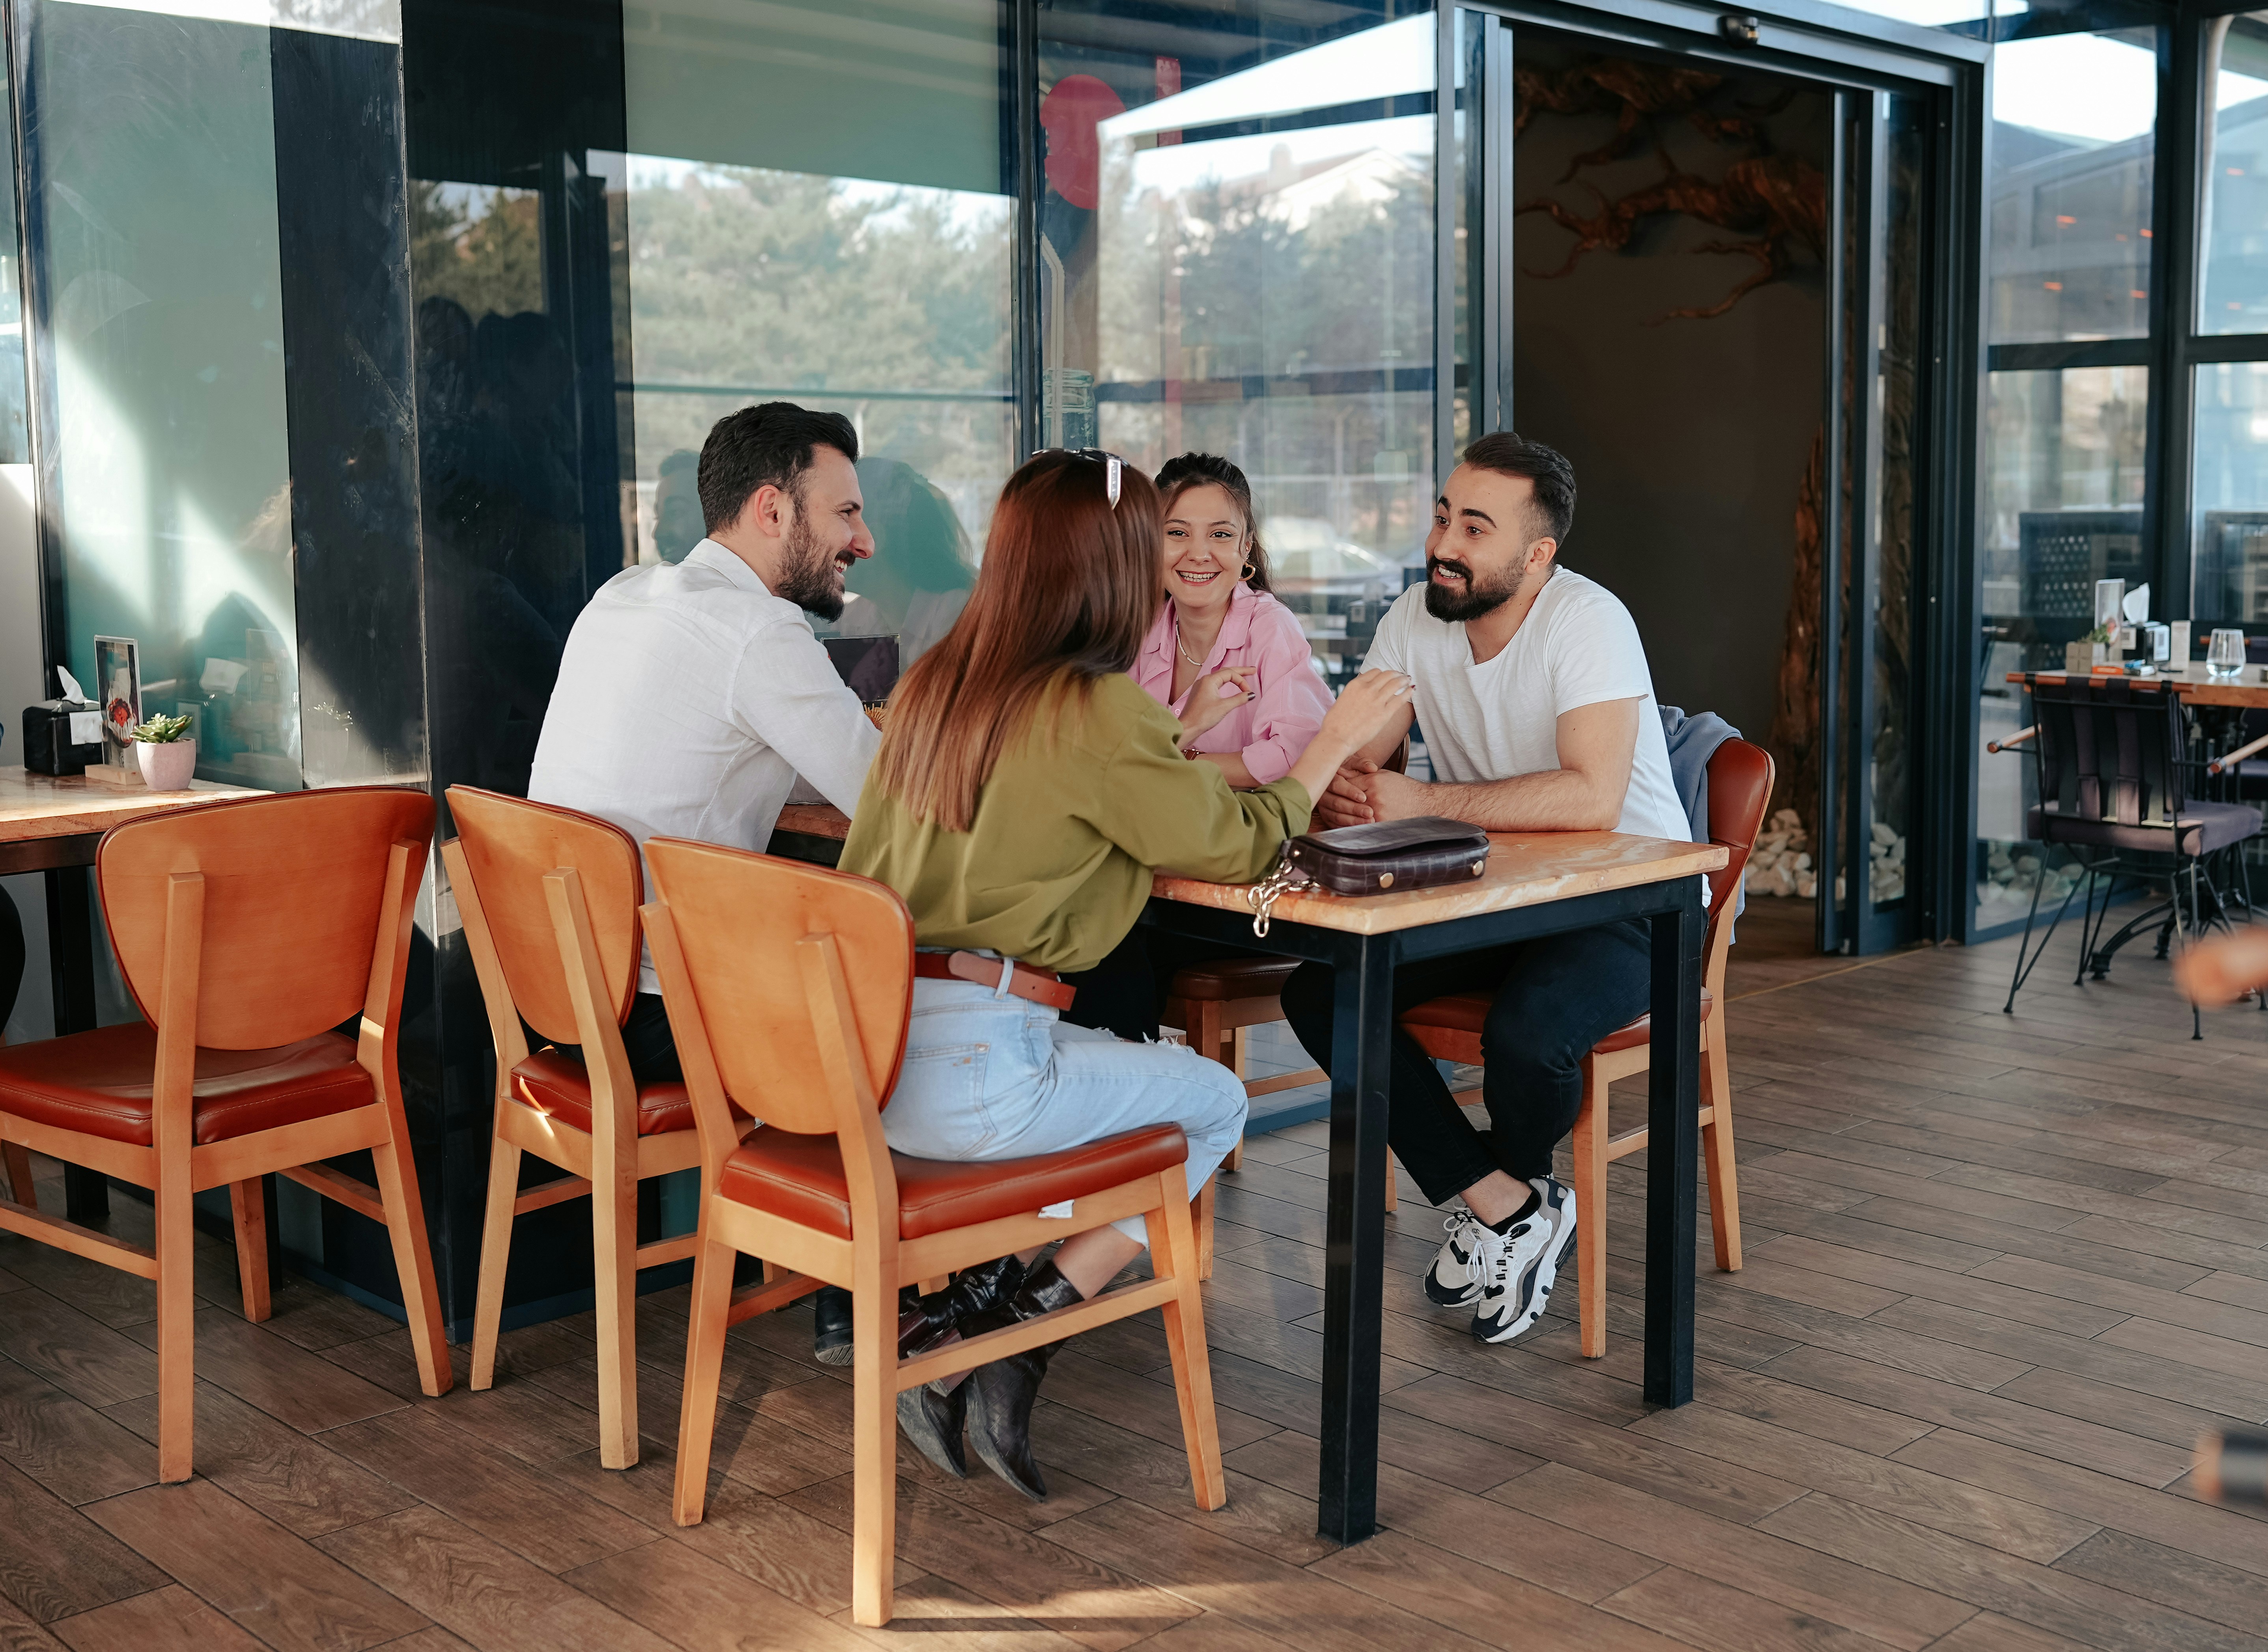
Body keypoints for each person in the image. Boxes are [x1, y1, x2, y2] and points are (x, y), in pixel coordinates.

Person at [841, 449, 1412, 1499]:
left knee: (1118, 1048)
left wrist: (1179, 725)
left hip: (868, 1066)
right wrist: (1328, 743)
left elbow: (1077, 775)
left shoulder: (933, 687)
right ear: (1109, 567)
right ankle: (1003, 1330)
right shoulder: (1092, 710)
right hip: (976, 1075)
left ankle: (980, 1314)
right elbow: (1243, 841)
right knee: (1215, 1100)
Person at [1280, 431, 1693, 1346]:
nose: (1444, 543)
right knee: (1323, 989)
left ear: (1536, 555)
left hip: (1635, 903)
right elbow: (1363, 757)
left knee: (1526, 1034)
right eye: (1441, 516)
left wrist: (1421, 797)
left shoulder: (1586, 620)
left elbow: (1593, 794)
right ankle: (1506, 1204)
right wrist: (1353, 781)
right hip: (1498, 897)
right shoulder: (1414, 618)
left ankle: (1512, 1200)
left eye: (1474, 526)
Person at [527, 401, 883, 1359]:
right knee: (879, 1010)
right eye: (845, 514)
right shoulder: (763, 637)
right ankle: (853, 1292)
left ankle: (829, 1275)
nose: (866, 539)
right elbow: (887, 800)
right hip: (652, 1019)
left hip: (557, 999)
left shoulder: (622, 594)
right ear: (773, 510)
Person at [1062, 452, 1334, 1042]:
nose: (1198, 553)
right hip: (1159, 864)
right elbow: (1100, 747)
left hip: (1242, 878)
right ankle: (1115, 1098)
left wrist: (1174, 761)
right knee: (1092, 933)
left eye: (1220, 535)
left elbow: (1293, 759)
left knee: (1112, 943)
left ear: (1246, 550)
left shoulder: (1269, 626)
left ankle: (1130, 1101)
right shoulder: (1137, 628)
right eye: (1176, 533)